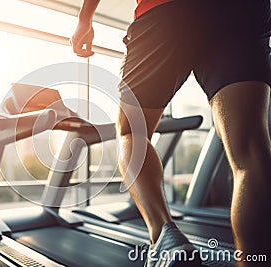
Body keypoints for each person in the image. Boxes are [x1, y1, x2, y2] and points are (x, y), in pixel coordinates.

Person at [70, 0, 271, 266]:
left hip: (166, 9)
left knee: (132, 132)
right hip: (242, 10)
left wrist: (85, 18)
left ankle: (164, 237)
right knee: (250, 151)